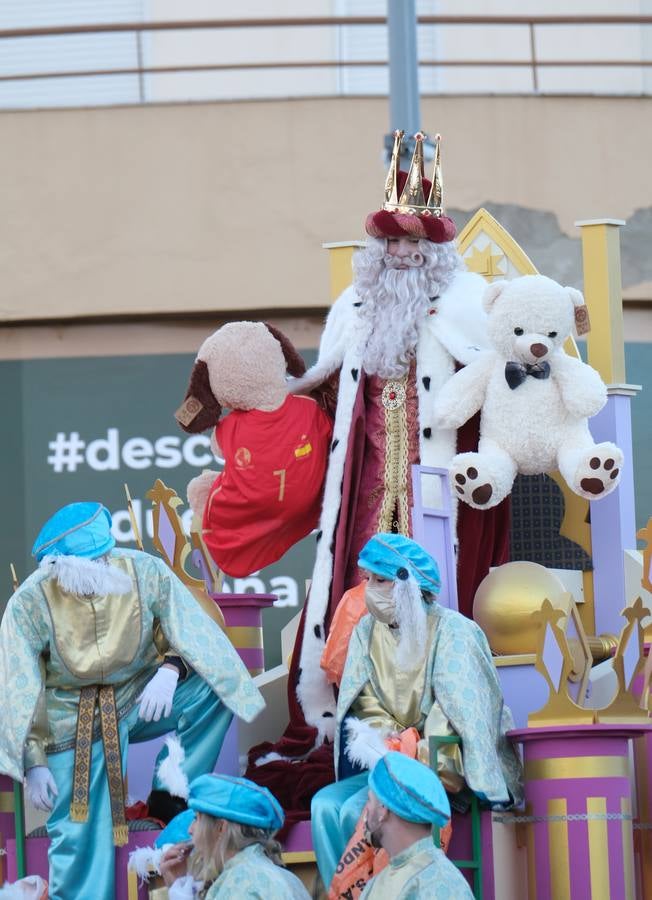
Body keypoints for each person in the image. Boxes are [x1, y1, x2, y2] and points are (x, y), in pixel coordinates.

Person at [249, 132, 510, 784]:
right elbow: (324, 392)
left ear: (434, 250)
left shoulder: (465, 304)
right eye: (390, 242)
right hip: (369, 494)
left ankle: (434, 727)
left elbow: (500, 381)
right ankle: (359, 728)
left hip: (437, 495)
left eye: (412, 243)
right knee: (362, 604)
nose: (399, 254)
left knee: (431, 602)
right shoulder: (355, 308)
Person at [0, 502, 265, 900]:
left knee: (214, 685)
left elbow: (197, 631)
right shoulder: (28, 603)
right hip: (69, 717)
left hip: (140, 694)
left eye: (103, 558)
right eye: (89, 564)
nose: (101, 567)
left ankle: (170, 793)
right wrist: (34, 760)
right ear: (58, 569)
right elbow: (21, 686)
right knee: (77, 834)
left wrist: (171, 669)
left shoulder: (144, 571)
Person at [311, 533, 522, 889]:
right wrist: (385, 740)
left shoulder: (454, 630)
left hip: (441, 761)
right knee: (324, 806)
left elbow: (457, 712)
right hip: (388, 758)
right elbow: (364, 701)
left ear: (408, 584)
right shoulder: (366, 630)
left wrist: (412, 748)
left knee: (354, 812)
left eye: (380, 580)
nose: (370, 590)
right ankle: (348, 895)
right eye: (368, 580)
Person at [159, 773, 311, 899]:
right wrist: (180, 885)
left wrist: (179, 893)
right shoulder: (288, 878)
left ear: (220, 827)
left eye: (197, 819)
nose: (190, 830)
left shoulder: (238, 884)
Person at [359, 752, 474, 899]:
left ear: (383, 809)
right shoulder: (376, 883)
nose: (366, 809)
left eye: (369, 800)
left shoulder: (442, 883)